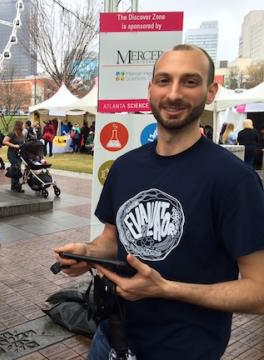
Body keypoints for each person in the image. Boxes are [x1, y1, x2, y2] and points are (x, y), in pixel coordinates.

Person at [54, 44, 264, 360]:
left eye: (190, 82)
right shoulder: (125, 167)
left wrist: (167, 289)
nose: (174, 94)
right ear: (150, 89)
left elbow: (259, 291)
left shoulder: (235, 180)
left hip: (185, 350)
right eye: (164, 81)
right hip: (109, 341)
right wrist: (88, 253)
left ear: (211, 92)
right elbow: (112, 240)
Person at [3, 120, 25, 192]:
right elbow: (4, 141)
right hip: (12, 154)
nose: (24, 126)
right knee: (16, 168)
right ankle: (16, 186)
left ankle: (15, 185)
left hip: (19, 154)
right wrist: (14, 145)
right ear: (19, 125)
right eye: (23, 124)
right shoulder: (12, 133)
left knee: (17, 168)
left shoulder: (21, 134)